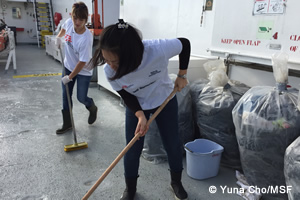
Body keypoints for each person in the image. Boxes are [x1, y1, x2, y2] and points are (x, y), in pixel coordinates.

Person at [90, 19, 190, 200]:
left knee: (172, 145)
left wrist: (182, 75)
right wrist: (139, 115)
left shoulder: (157, 50)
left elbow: (184, 43)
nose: (110, 66)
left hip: (164, 100)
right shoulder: (109, 71)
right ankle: (130, 189)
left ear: (131, 54)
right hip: (137, 105)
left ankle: (176, 182)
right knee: (132, 149)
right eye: (107, 60)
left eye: (115, 61)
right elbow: (125, 94)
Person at [55, 2, 97, 134]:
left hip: (83, 70)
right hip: (68, 65)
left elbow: (82, 62)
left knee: (81, 97)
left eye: (81, 19)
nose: (77, 22)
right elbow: (63, 29)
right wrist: (58, 38)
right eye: (75, 18)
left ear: (86, 20)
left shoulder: (86, 38)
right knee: (66, 96)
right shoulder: (69, 23)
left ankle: (92, 107)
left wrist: (69, 77)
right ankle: (68, 124)